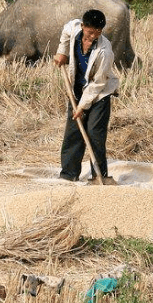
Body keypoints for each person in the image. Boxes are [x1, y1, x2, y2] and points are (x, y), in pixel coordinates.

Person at [53, 9, 119, 182]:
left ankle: (99, 176)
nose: (92, 37)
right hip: (77, 88)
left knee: (94, 133)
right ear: (83, 27)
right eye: (89, 32)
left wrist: (82, 106)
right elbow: (66, 31)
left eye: (97, 33)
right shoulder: (74, 29)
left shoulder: (105, 51)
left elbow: (98, 83)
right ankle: (69, 174)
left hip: (99, 94)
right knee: (73, 132)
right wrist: (62, 52)